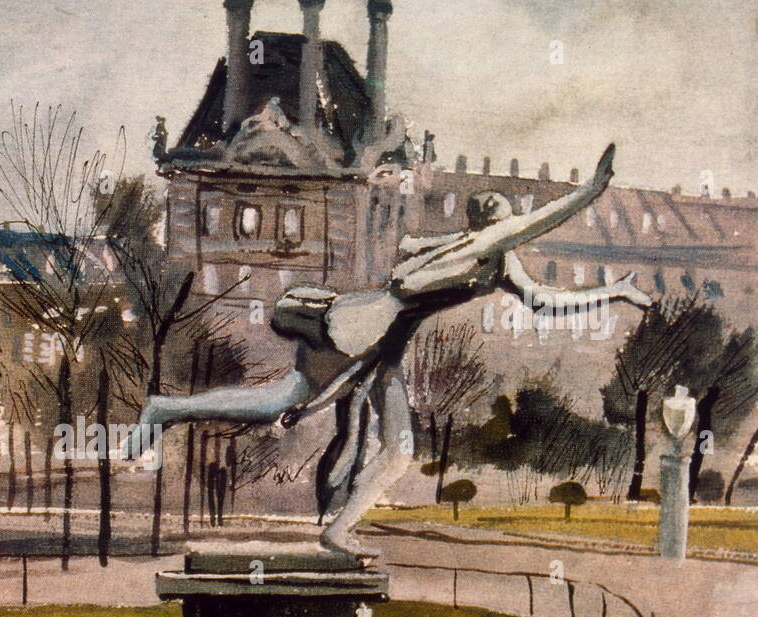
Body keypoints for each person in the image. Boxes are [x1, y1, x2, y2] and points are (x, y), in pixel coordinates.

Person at [128, 144, 651, 557]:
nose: (508, 221)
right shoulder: (476, 248)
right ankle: (169, 412)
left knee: (384, 444)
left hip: (380, 344)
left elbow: (544, 302)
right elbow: (536, 224)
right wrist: (591, 190)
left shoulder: (491, 261)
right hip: (362, 329)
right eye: (502, 216)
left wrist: (616, 291)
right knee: (303, 409)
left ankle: (176, 414)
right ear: (494, 222)